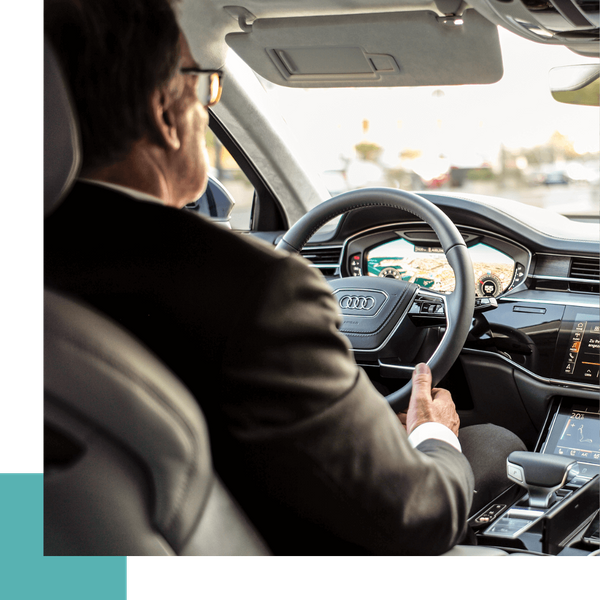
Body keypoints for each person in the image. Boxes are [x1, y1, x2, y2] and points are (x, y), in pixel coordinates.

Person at [43, 0, 524, 557]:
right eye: (205, 89)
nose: (205, 109)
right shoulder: (257, 292)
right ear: (164, 111)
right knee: (493, 443)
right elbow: (413, 518)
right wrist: (429, 435)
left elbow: (33, 526)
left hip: (66, 573)